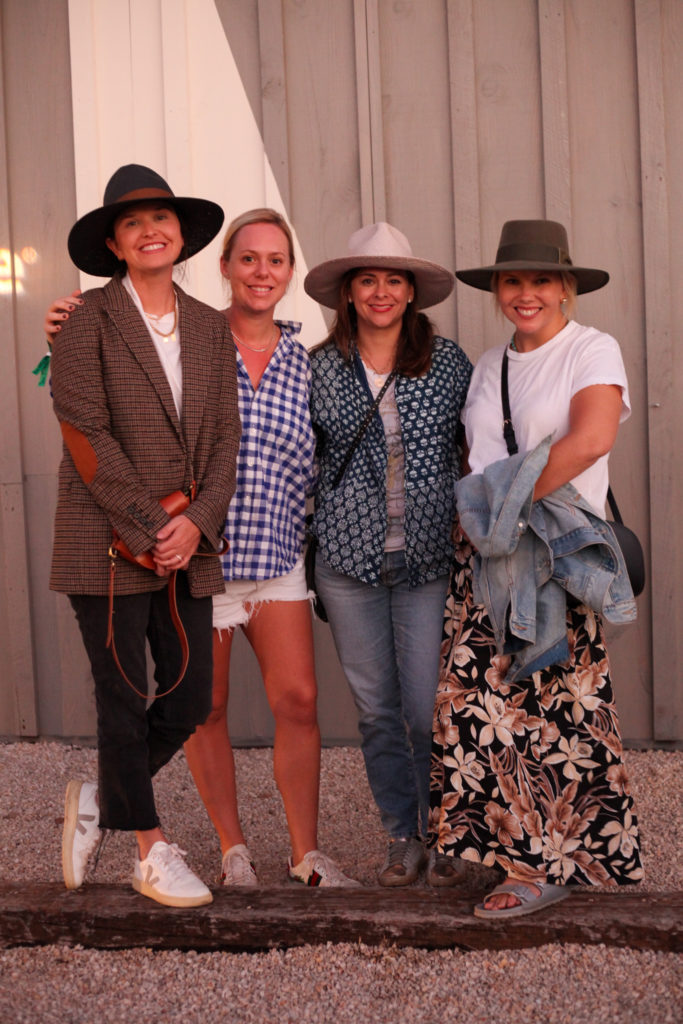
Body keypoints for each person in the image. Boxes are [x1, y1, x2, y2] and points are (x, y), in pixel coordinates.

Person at [45, 207, 358, 888]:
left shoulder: (308, 364)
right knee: (201, 706)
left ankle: (304, 853)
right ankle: (230, 850)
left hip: (268, 556)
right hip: (197, 556)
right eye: (248, 258)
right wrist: (62, 324)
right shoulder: (186, 332)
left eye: (276, 260)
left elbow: (281, 450)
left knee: (295, 700)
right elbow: (91, 401)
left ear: (290, 272)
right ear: (223, 265)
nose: (262, 272)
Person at [429, 219, 643, 917]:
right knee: (479, 709)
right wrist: (483, 513)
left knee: (558, 711)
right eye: (512, 281)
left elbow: (588, 440)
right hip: (489, 557)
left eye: (540, 280)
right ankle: (503, 848)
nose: (525, 293)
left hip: (554, 556)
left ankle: (543, 866)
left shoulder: (592, 349)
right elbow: (475, 458)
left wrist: (500, 504)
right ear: (497, 289)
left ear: (565, 287)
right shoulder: (489, 365)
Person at [51, 164, 241, 908]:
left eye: (160, 218)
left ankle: (100, 797)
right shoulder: (83, 322)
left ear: (182, 235)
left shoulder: (207, 324)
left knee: (191, 699)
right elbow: (86, 435)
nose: (150, 230)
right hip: (104, 543)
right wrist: (155, 522)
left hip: (187, 543)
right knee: (124, 694)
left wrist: (194, 525)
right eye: (132, 223)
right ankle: (150, 850)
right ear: (113, 243)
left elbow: (226, 439)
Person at [304, 223, 473, 886]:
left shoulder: (449, 361)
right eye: (367, 280)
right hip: (347, 564)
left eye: (393, 280)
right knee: (375, 709)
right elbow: (297, 455)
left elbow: (475, 444)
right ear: (347, 293)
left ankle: (449, 831)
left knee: (426, 705)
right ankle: (403, 835)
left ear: (411, 292)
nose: (380, 291)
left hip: (428, 559)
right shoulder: (317, 368)